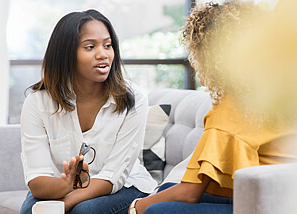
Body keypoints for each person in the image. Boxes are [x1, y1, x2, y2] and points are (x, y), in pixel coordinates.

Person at [128, 1, 297, 214]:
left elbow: (190, 193)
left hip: (272, 205)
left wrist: (136, 207)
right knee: (168, 189)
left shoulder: (232, 108)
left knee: (156, 210)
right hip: (279, 193)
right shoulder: (267, 93)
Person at [20, 9, 157, 214]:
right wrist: (66, 185)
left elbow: (113, 176)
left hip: (124, 186)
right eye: (90, 47)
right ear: (66, 54)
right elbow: (37, 178)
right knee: (30, 211)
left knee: (83, 211)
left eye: (108, 45)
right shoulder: (37, 102)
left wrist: (65, 203)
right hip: (66, 186)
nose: (103, 54)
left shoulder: (133, 98)